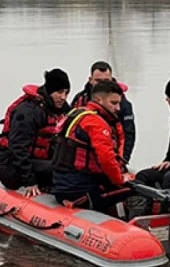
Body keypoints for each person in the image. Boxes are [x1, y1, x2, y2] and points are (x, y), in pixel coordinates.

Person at [51, 80, 132, 213]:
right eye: (114, 103)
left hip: (62, 183)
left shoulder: (77, 113)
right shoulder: (96, 123)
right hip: (81, 189)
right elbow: (107, 160)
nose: (118, 108)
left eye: (119, 103)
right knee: (134, 190)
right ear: (99, 100)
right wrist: (120, 180)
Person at [0, 69, 71, 198]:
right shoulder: (28, 111)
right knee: (60, 170)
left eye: (66, 93)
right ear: (50, 90)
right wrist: (30, 181)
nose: (63, 97)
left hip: (37, 162)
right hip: (12, 167)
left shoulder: (60, 110)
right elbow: (18, 148)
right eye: (59, 92)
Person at [70, 61, 137, 164]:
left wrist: (122, 162)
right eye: (98, 81)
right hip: (82, 159)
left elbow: (128, 134)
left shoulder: (123, 104)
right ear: (90, 80)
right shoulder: (80, 99)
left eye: (106, 80)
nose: (102, 84)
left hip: (110, 156)